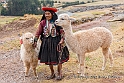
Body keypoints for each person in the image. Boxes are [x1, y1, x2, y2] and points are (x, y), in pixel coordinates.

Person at [33, 7, 69, 80]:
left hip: (57, 42)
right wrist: (35, 41)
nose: (46, 15)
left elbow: (62, 32)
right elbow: (38, 32)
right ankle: (52, 73)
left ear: (52, 14)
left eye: (48, 13)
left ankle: (59, 73)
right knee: (49, 59)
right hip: (47, 43)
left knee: (59, 58)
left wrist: (62, 39)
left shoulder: (57, 22)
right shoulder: (43, 23)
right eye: (45, 14)